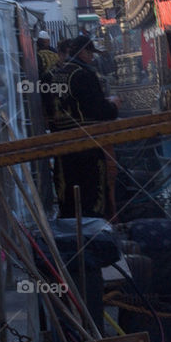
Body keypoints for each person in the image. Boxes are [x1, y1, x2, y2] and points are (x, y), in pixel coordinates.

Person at [49, 35, 120, 218]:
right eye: (90, 53)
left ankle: (72, 228)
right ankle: (94, 231)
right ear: (82, 52)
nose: (92, 58)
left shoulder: (56, 74)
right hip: (86, 144)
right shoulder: (83, 75)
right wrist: (113, 105)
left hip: (62, 146)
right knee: (92, 193)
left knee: (69, 194)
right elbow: (100, 110)